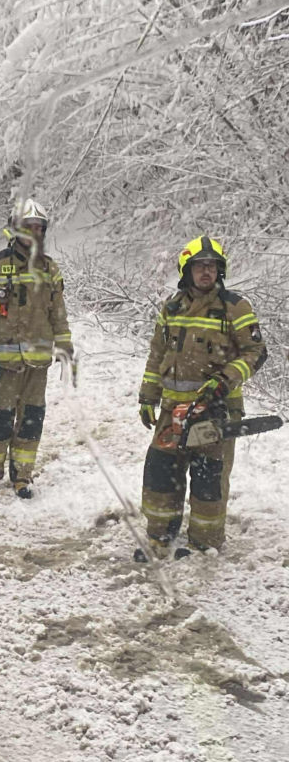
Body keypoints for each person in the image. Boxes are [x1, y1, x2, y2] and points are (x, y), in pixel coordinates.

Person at [137, 235, 267, 560]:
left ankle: (203, 543)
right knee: (160, 472)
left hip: (216, 409)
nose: (206, 271)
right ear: (187, 270)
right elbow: (157, 354)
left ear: (220, 270)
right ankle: (159, 535)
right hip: (172, 410)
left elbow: (256, 352)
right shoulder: (172, 307)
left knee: (209, 478)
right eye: (199, 266)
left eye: (211, 266)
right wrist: (147, 396)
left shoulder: (235, 307)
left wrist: (224, 380)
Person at [0, 199, 74, 498]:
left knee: (31, 421)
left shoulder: (50, 269)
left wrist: (65, 345)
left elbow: (58, 313)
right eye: (29, 227)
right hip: (4, 362)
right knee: (0, 419)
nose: (34, 233)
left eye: (39, 228)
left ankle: (22, 477)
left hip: (38, 363)